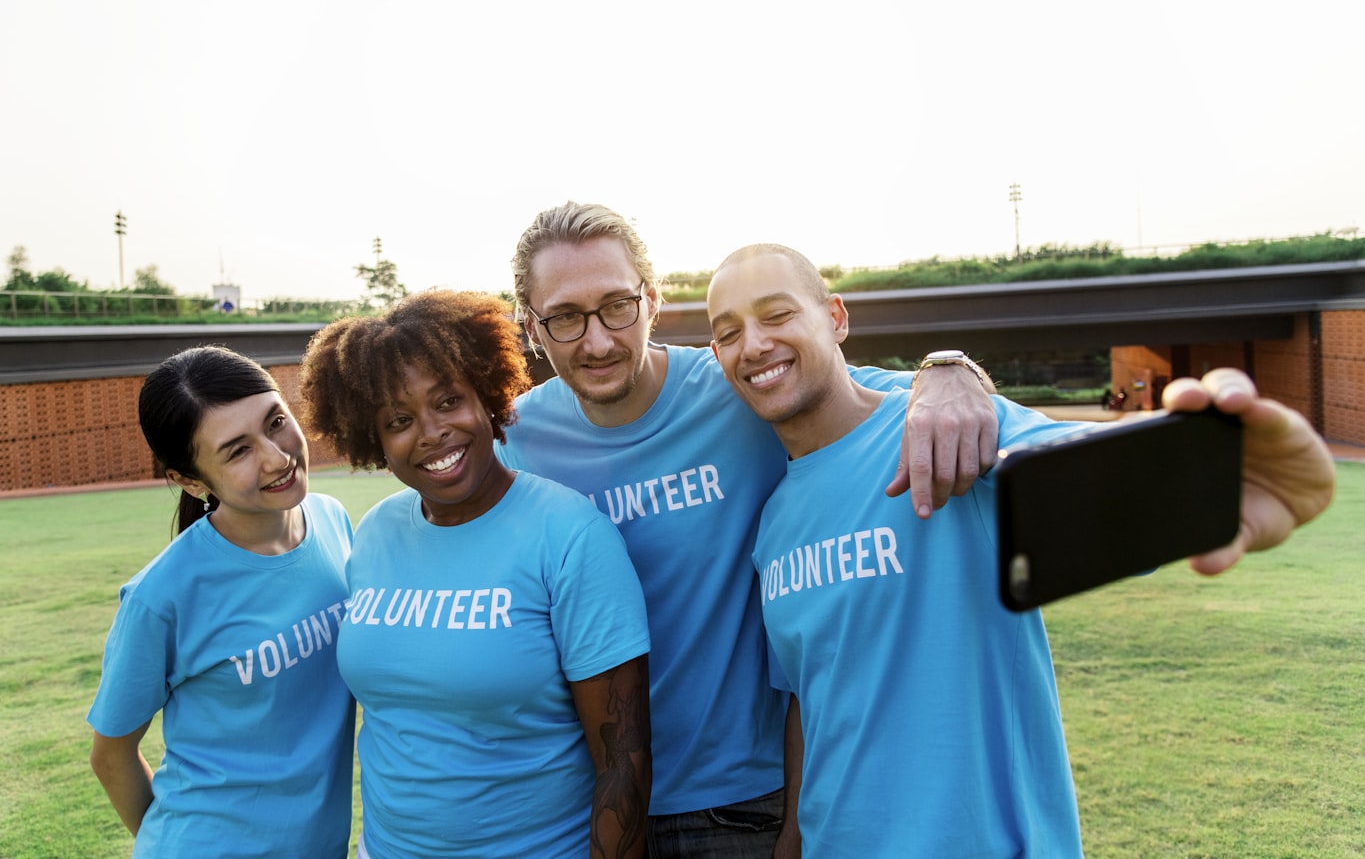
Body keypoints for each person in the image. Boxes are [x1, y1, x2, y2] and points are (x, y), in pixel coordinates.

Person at [704, 243, 1337, 857]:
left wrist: (1229, 471)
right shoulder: (774, 523)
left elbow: (1089, 477)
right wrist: (792, 840)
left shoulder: (946, 429)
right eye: (728, 332)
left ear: (835, 317)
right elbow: (808, 697)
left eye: (778, 314)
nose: (753, 344)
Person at [497, 200, 1000, 856]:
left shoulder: (740, 385)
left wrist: (948, 370)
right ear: (531, 327)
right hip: (589, 803)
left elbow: (869, 395)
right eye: (564, 317)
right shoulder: (514, 440)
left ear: (651, 299)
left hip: (744, 805)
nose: (596, 341)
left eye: (616, 305)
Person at [297, 289, 652, 859]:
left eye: (448, 401)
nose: (432, 432)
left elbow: (623, 761)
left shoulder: (569, 535)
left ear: (488, 397)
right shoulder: (376, 533)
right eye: (398, 420)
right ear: (375, 440)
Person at [86, 346, 356, 858]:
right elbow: (111, 754)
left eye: (276, 422)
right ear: (189, 480)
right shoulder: (161, 596)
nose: (277, 457)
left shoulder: (332, 520)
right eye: (237, 451)